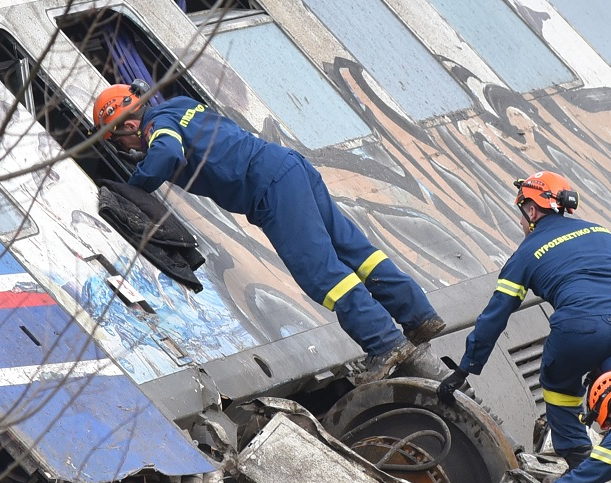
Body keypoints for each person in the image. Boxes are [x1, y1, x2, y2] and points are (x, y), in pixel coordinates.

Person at [92, 83, 444, 383]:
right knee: (354, 251)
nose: (126, 151)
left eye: (118, 142)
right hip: (288, 166)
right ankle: (419, 316)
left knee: (321, 273)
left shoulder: (158, 124)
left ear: (126, 126)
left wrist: (133, 188)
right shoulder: (179, 106)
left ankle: (384, 343)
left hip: (270, 185)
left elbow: (167, 152)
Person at [437, 171, 611, 469]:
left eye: (521, 212)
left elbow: (495, 316)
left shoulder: (526, 254)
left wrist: (466, 368)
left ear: (531, 210)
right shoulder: (604, 233)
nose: (520, 222)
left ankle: (579, 459)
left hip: (579, 328)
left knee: (558, 383)